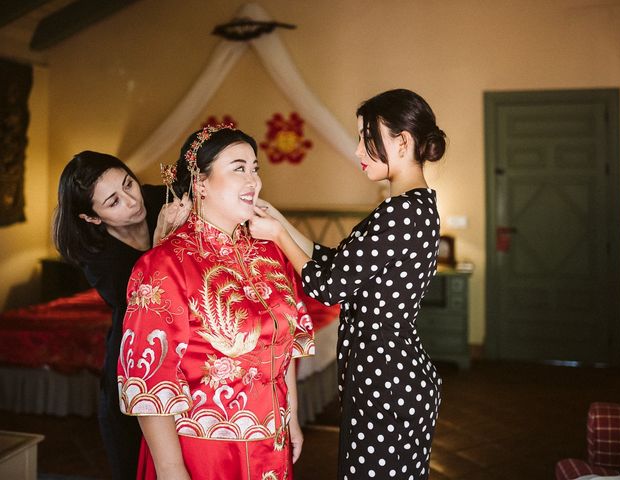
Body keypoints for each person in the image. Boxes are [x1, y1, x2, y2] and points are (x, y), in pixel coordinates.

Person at [250, 88, 447, 479]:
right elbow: (336, 264)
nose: (358, 150)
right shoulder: (414, 205)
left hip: (386, 381)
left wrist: (276, 236)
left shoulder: (401, 211)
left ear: (402, 141)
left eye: (366, 137)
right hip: (390, 374)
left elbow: (329, 287)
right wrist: (281, 221)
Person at [117, 125, 314, 480]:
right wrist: (171, 469)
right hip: (204, 453)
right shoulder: (165, 263)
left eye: (255, 168)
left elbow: (286, 348)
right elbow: (149, 380)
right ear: (201, 182)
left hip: (272, 444)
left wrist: (291, 419)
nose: (253, 179)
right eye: (238, 168)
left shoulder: (270, 250)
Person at [53, 151, 191, 480]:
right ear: (92, 218)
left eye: (129, 183)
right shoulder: (94, 253)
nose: (132, 201)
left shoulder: (166, 198)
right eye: (113, 202)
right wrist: (161, 243)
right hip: (133, 367)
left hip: (191, 356)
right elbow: (142, 302)